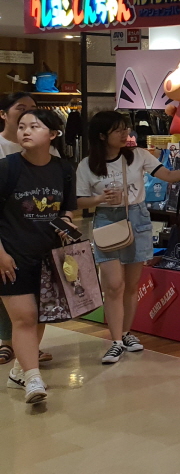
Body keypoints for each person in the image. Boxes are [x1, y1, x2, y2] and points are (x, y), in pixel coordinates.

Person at [76, 111, 180, 364]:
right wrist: (100, 199)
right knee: (113, 285)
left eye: (125, 128)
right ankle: (115, 341)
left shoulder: (138, 155)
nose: (125, 134)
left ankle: (126, 333)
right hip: (106, 220)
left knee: (131, 284)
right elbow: (78, 200)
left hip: (137, 218)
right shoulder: (87, 165)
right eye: (118, 130)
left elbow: (168, 176)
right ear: (102, 135)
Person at [0, 109, 77, 404]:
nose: (26, 131)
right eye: (22, 126)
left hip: (48, 257)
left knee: (39, 316)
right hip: (11, 257)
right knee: (25, 318)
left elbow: (66, 209)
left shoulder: (64, 169)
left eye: (34, 126)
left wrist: (66, 222)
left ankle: (20, 371)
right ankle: (33, 380)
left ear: (53, 134)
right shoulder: (7, 168)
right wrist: (1, 255)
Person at [0, 93, 58, 369]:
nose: (27, 116)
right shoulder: (6, 159)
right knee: (13, 292)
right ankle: (7, 342)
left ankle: (26, 352)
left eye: (33, 111)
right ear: (4, 114)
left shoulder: (54, 159)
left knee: (34, 304)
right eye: (21, 110)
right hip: (8, 236)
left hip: (37, 240)